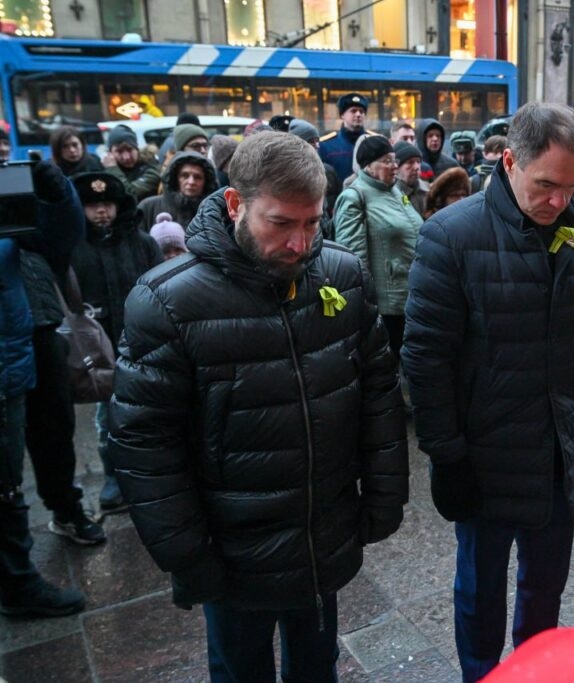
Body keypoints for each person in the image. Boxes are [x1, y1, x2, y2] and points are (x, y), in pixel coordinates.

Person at [107, 132, 409, 681]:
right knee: (240, 670)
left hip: (322, 533)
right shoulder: (167, 301)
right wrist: (187, 555)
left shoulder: (341, 274)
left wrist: (385, 497)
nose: (300, 243)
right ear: (234, 204)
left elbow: (378, 394)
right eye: (281, 223)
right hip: (230, 551)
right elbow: (144, 444)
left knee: (316, 665)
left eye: (312, 223)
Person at [402, 102, 574, 682]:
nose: (559, 202)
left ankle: (536, 672)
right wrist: (446, 454)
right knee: (480, 590)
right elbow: (426, 360)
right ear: (509, 162)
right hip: (485, 453)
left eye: (571, 187)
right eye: (546, 185)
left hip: (558, 445)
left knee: (546, 586)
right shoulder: (450, 235)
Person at [1, 159, 90, 615]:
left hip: (27, 337)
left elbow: (57, 237)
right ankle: (16, 583)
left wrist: (57, 195)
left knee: (51, 434)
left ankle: (65, 510)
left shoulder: (10, 193)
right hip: (11, 347)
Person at [70, 172, 162, 512]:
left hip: (143, 344)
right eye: (93, 205)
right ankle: (114, 475)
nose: (101, 211)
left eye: (107, 204)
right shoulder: (74, 249)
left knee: (152, 412)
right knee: (108, 417)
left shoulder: (142, 243)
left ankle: (152, 473)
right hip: (101, 349)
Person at [334, 135, 422, 362]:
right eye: (386, 161)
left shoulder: (395, 191)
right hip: (386, 306)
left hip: (410, 296)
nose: (394, 166)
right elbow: (353, 259)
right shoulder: (354, 197)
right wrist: (364, 305)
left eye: (394, 160)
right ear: (368, 166)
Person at [137, 150, 219, 230]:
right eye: (185, 176)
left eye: (198, 177)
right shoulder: (149, 207)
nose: (191, 182)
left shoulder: (214, 213)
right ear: (175, 178)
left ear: (206, 182)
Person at [101, 125, 162, 200]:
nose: (126, 157)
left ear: (137, 149)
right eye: (119, 151)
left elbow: (130, 194)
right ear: (110, 153)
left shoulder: (152, 167)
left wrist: (113, 169)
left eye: (129, 150)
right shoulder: (106, 170)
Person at [319, 92, 368, 183]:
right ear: (342, 115)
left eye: (361, 111)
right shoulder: (326, 145)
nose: (358, 114)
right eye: (353, 111)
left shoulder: (375, 141)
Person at [393, 141, 430, 216]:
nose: (417, 167)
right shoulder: (393, 194)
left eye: (418, 162)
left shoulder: (427, 189)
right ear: (397, 168)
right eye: (410, 162)